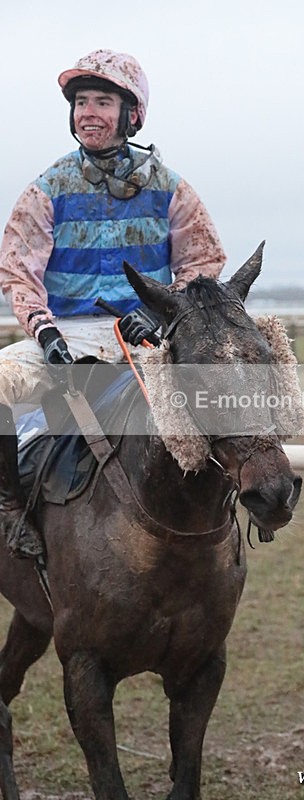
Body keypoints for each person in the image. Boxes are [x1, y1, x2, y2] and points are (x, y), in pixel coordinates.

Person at [0, 49, 226, 558]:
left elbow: (203, 263)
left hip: (146, 341)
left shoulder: (172, 189)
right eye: (81, 102)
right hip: (66, 335)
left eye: (102, 101)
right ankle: (11, 511)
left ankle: (234, 517)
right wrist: (44, 331)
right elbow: (18, 270)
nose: (87, 113)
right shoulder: (46, 189)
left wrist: (166, 309)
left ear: (132, 115)